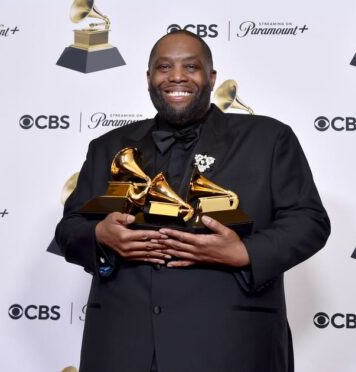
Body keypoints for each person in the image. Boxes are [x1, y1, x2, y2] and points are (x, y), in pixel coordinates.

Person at [55, 30, 330, 372]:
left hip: (232, 346)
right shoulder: (108, 146)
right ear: (149, 78)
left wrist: (244, 252)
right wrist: (100, 236)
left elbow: (309, 221)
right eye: (164, 67)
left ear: (212, 77)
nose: (177, 77)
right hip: (122, 348)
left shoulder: (269, 139)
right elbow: (69, 230)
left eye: (191, 67)